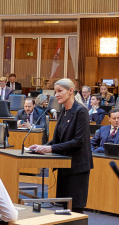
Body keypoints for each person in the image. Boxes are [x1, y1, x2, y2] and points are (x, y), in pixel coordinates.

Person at [28, 79, 92, 214]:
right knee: (65, 208)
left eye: (59, 91)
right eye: (55, 91)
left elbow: (78, 141)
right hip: (65, 165)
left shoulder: (81, 111)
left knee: (75, 209)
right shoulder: (63, 111)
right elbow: (57, 140)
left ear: (70, 91)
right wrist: (42, 147)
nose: (56, 95)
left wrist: (50, 149)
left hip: (77, 167)